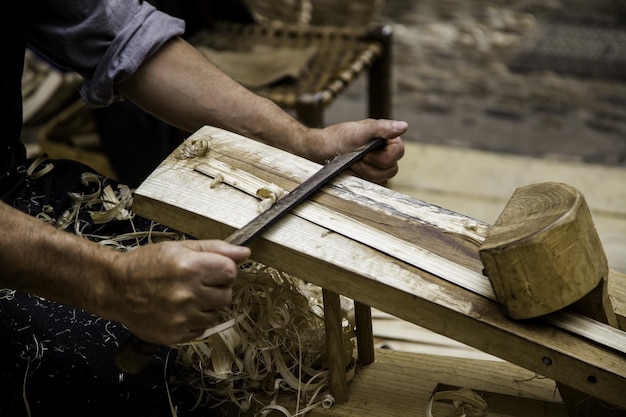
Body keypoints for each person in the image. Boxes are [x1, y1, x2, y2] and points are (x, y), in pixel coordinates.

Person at [0, 1, 407, 416]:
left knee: (228, 328)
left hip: (14, 186)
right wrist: (111, 283)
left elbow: (119, 35)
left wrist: (301, 143)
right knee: (130, 377)